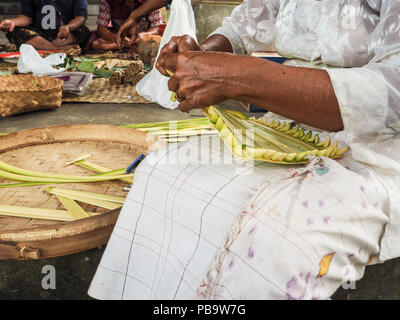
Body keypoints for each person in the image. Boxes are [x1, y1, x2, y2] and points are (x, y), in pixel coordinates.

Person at [88, 0, 400, 300]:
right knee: (161, 170)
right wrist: (201, 55)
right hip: (288, 126)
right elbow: (243, 27)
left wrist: (238, 77)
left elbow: (393, 92)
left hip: (377, 151)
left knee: (272, 234)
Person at [0, 0, 89, 51]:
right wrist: (13, 22)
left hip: (65, 35)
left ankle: (45, 48)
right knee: (14, 31)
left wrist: (68, 27)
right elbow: (26, 17)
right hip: (40, 36)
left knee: (82, 31)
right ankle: (56, 49)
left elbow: (80, 18)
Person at [89, 0, 169, 51]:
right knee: (96, 43)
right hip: (119, 37)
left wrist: (144, 35)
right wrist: (117, 38)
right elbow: (101, 28)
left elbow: (157, 27)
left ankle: (128, 45)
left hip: (142, 38)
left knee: (157, 42)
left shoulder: (150, 2)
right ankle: (124, 45)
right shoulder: (108, 1)